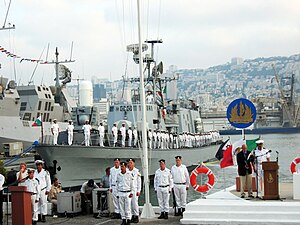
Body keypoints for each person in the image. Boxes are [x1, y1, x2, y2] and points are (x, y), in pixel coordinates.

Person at [127, 158, 141, 223]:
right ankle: (132, 216)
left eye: (131, 163)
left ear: (133, 164)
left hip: (134, 190)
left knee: (135, 204)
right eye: (129, 163)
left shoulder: (136, 171)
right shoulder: (126, 171)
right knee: (129, 204)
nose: (129, 164)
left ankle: (136, 216)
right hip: (128, 190)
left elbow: (139, 182)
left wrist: (139, 190)